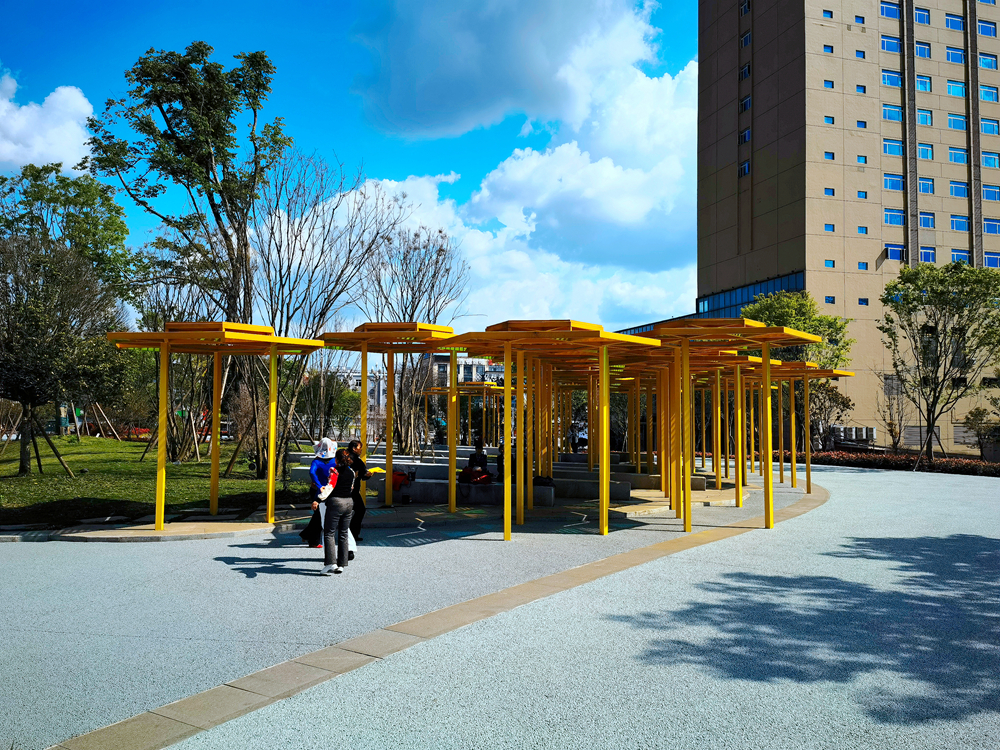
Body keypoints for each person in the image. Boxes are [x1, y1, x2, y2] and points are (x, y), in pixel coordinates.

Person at [313, 448, 355, 575]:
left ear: (336, 460)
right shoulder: (352, 472)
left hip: (336, 502)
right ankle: (342, 564)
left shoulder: (334, 471)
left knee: (329, 533)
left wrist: (318, 500)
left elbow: (330, 488)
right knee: (343, 533)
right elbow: (351, 487)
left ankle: (331, 563)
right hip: (349, 502)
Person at [299, 438, 337, 548]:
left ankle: (308, 536)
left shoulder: (316, 461)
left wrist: (319, 485)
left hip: (318, 490)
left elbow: (312, 472)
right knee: (320, 516)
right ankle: (312, 539)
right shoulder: (334, 461)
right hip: (330, 489)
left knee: (318, 515)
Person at [347, 439, 371, 543]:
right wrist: (367, 475)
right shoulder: (355, 460)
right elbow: (363, 474)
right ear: (354, 448)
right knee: (360, 510)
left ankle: (351, 533)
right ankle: (352, 533)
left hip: (344, 490)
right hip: (352, 491)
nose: (361, 450)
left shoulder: (345, 457)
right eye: (359, 448)